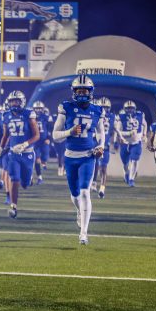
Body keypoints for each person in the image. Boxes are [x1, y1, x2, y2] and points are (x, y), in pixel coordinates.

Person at [51, 75, 104, 245]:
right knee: (74, 195)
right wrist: (69, 132)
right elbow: (55, 136)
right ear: (73, 92)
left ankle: (84, 233)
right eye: (79, 91)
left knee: (84, 192)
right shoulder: (66, 108)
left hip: (88, 156)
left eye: (84, 91)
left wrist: (100, 146)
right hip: (70, 156)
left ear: (91, 92)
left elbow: (101, 132)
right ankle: (79, 211)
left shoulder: (97, 110)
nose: (82, 94)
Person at [0, 90, 39, 219]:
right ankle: (13, 206)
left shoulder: (28, 114)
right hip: (13, 153)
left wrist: (25, 144)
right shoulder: (6, 115)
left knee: (24, 184)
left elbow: (37, 135)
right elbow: (5, 135)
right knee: (14, 179)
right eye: (12, 101)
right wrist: (0, 148)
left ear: (22, 102)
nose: (14, 103)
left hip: (27, 153)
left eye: (16, 101)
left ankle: (29, 178)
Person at [116, 100, 147, 187]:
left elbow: (145, 124)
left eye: (131, 108)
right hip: (125, 143)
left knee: (135, 160)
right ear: (124, 109)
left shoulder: (140, 115)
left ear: (135, 109)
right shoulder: (121, 117)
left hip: (136, 142)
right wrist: (128, 134)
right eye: (128, 108)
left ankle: (131, 179)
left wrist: (144, 134)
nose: (130, 110)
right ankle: (126, 173)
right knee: (125, 163)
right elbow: (118, 131)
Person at [94, 97, 116, 199]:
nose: (104, 109)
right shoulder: (92, 115)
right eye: (102, 107)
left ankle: (102, 188)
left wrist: (114, 142)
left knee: (103, 168)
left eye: (106, 108)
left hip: (104, 145)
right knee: (92, 165)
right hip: (92, 144)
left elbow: (114, 131)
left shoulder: (112, 117)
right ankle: (92, 183)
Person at [31, 101, 51, 185]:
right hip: (35, 141)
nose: (38, 110)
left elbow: (50, 128)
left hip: (43, 140)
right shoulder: (31, 117)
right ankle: (39, 177)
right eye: (36, 108)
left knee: (45, 157)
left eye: (40, 108)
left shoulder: (45, 117)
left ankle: (44, 163)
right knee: (37, 159)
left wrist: (49, 138)